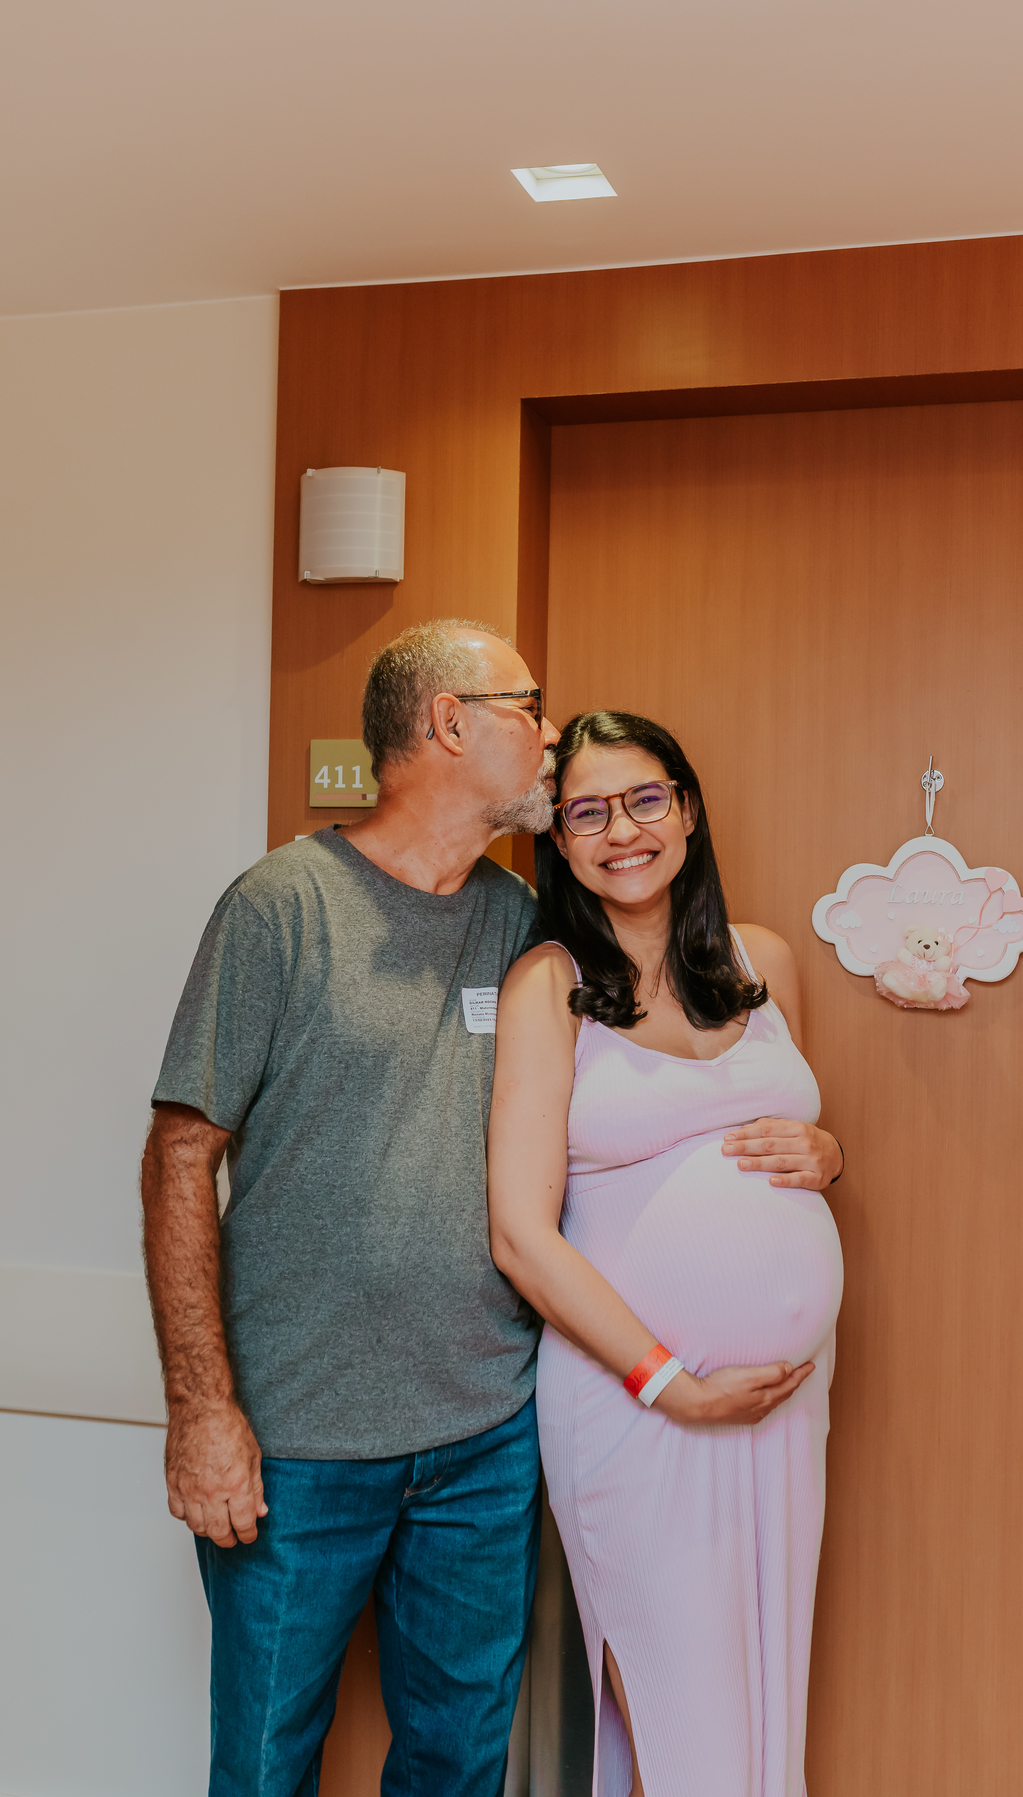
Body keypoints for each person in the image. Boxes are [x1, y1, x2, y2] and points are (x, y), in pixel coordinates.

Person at [142, 619, 561, 1797]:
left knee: (458, 1764)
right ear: (447, 721)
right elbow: (181, 1157)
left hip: (484, 1437)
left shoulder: (518, 922)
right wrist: (201, 1412)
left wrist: (811, 1135)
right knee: (266, 1766)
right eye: (527, 705)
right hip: (297, 1450)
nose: (550, 732)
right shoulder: (281, 907)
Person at [488, 710, 845, 1797]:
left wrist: (826, 1154)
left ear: (687, 807)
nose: (622, 830)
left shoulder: (766, 959)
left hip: (783, 1406)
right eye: (587, 812)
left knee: (760, 1705)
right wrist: (669, 1384)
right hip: (634, 1408)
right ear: (561, 839)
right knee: (678, 1725)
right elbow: (519, 1233)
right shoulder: (547, 985)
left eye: (645, 798)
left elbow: (779, 1141)